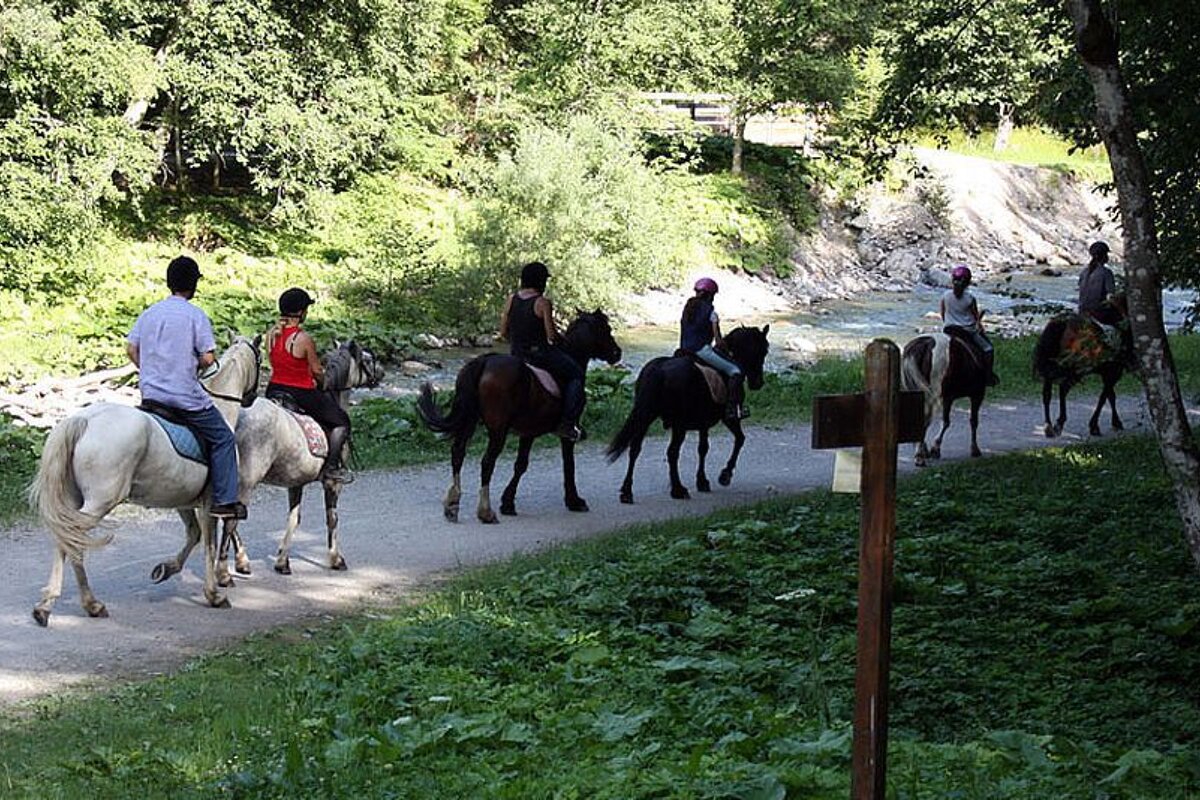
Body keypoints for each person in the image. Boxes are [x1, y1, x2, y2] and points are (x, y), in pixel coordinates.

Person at [126, 256, 246, 519]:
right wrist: (192, 369)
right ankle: (224, 501)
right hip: (184, 399)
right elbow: (208, 358)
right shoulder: (195, 315)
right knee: (224, 438)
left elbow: (131, 348)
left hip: (150, 396)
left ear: (169, 283)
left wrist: (148, 370)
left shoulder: (150, 313)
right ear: (193, 286)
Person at [264, 287, 354, 483]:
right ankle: (331, 467)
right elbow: (317, 371)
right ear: (300, 312)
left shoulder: (271, 335)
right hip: (300, 391)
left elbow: (274, 363)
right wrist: (323, 384)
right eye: (306, 309)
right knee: (342, 421)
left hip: (274, 388)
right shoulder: (303, 339)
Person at [499, 261, 586, 442]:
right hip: (540, 355)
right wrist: (563, 340)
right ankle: (567, 423)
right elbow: (551, 336)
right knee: (576, 374)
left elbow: (503, 332)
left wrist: (517, 344)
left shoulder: (511, 299)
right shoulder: (542, 303)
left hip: (516, 354)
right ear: (540, 281)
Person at [678, 277, 748, 421]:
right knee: (736, 370)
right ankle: (732, 409)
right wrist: (725, 349)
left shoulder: (687, 309)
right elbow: (717, 340)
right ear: (710, 295)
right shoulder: (711, 313)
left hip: (684, 349)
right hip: (701, 350)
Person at [941, 265, 999, 387]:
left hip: (948, 329)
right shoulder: (970, 298)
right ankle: (988, 376)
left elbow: (942, 313)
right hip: (966, 331)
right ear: (967, 282)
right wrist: (979, 323)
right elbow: (975, 317)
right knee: (988, 348)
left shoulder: (945, 296)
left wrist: (950, 321)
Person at [1078, 240, 1116, 319]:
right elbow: (1111, 296)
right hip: (1098, 312)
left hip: (1082, 311)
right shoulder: (1106, 272)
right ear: (1104, 256)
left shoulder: (1084, 272)